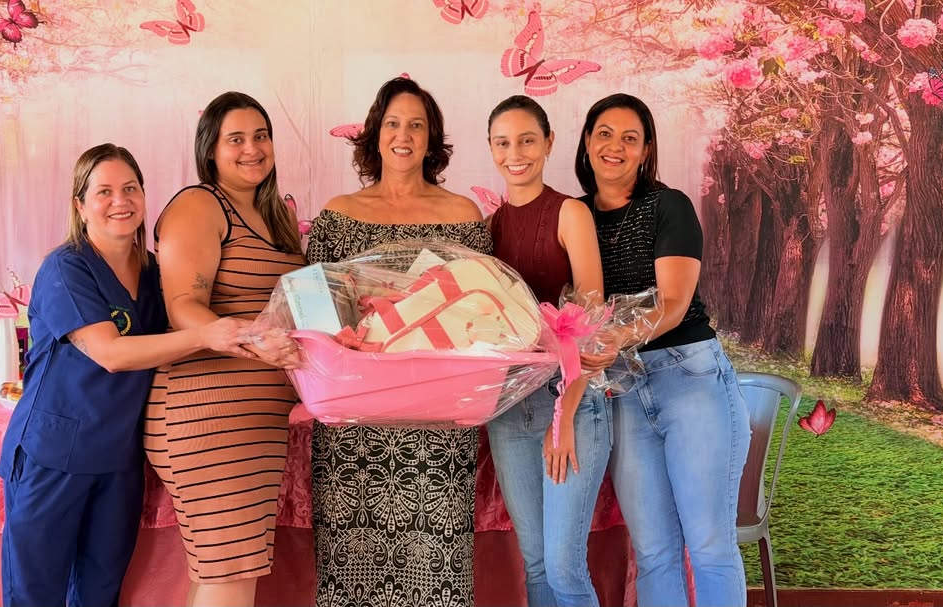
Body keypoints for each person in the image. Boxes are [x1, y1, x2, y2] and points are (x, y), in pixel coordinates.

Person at [0, 143, 246, 607]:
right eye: (104, 191)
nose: (120, 201)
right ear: (80, 205)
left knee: (100, 593)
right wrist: (208, 335)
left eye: (131, 188)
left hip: (119, 460)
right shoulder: (66, 268)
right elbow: (109, 353)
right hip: (54, 454)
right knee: (36, 595)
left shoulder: (154, 273)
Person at [307, 76, 491, 607]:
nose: (403, 135)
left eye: (416, 125)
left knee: (438, 571)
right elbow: (314, 314)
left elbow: (482, 313)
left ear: (432, 139)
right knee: (351, 573)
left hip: (438, 424)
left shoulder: (462, 216)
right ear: (375, 133)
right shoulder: (337, 214)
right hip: (352, 429)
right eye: (392, 123)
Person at [575, 93, 751, 607]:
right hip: (624, 390)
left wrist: (615, 337)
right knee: (653, 552)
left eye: (630, 138)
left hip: (688, 377)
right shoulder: (575, 215)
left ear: (646, 150)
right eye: (605, 134)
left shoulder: (668, 206)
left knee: (710, 545)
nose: (615, 146)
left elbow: (673, 304)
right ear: (586, 141)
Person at [143, 91, 304, 607]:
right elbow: (183, 307)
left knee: (223, 573)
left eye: (261, 136)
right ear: (210, 149)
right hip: (208, 413)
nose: (252, 149)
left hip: (254, 421)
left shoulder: (274, 214)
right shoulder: (200, 204)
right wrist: (254, 340)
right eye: (236, 139)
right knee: (230, 575)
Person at [484, 95, 618, 607]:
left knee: (563, 566)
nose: (514, 153)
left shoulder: (570, 213)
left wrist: (565, 417)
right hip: (509, 409)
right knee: (537, 563)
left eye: (526, 140)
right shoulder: (489, 227)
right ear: (491, 149)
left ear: (548, 144)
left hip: (571, 403)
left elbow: (590, 322)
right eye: (502, 143)